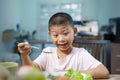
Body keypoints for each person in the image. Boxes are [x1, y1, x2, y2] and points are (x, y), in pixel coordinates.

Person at [18, 12, 109, 79]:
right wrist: (24, 55)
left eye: (65, 33)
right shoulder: (47, 52)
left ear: (74, 32)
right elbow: (30, 70)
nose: (61, 39)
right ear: (50, 35)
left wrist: (69, 74)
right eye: (55, 35)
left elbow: (104, 72)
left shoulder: (81, 54)